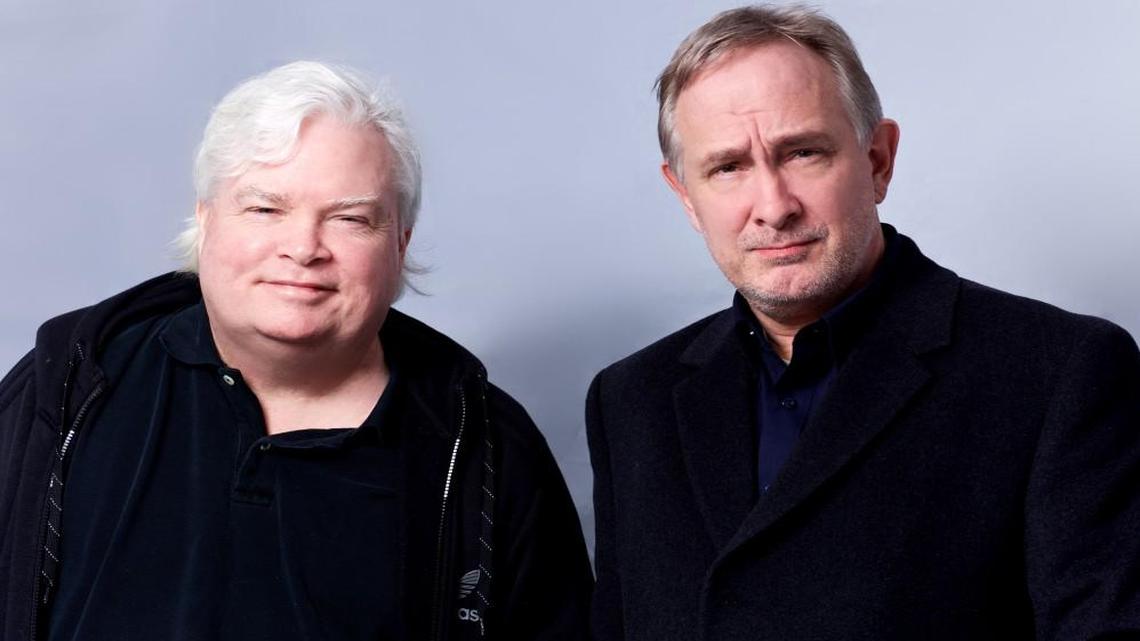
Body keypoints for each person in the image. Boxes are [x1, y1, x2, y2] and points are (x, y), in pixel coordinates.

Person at [585, 5, 1140, 640]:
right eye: (728, 167)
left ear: (878, 160)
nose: (773, 207)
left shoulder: (1058, 371)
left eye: (803, 152)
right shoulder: (631, 400)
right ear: (685, 196)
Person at [0, 61, 591, 641]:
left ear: (400, 243)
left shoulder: (489, 449)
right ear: (206, 220)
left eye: (351, 218)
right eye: (266, 208)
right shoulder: (71, 387)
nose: (304, 248)